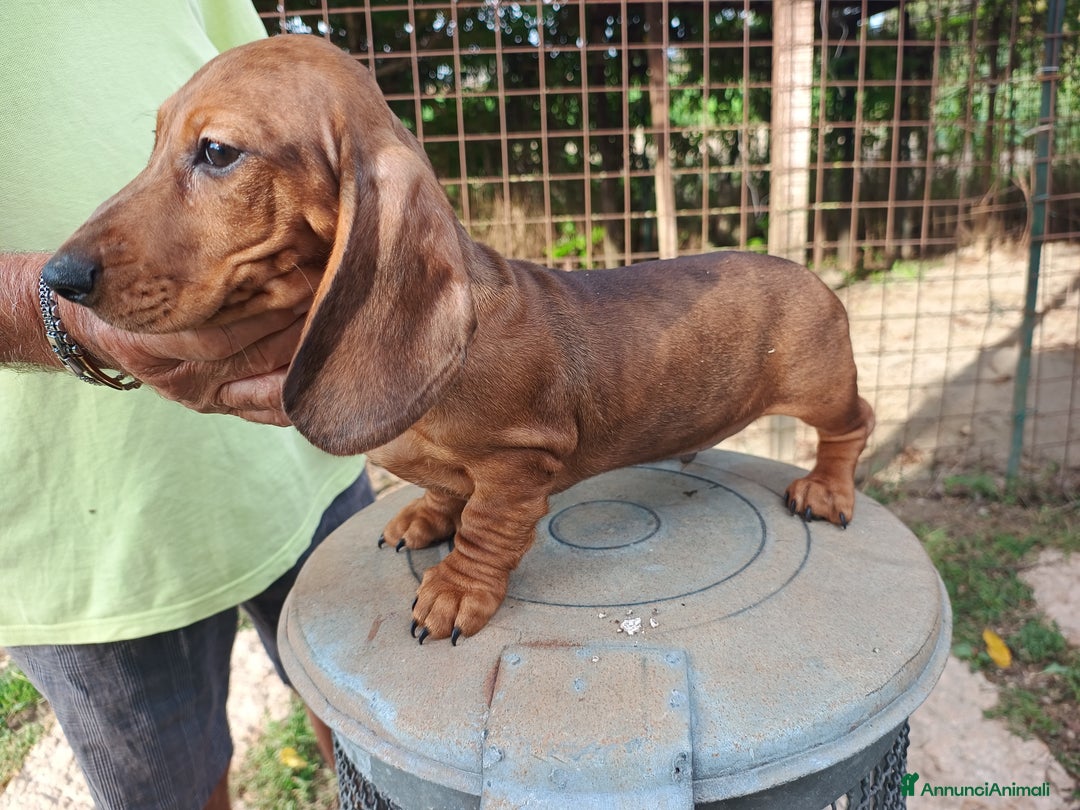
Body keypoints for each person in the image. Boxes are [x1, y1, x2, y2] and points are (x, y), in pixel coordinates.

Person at [0, 2, 370, 808]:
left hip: (302, 447)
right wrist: (54, 315)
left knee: (371, 739)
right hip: (84, 530)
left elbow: (285, 114)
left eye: (212, 152)